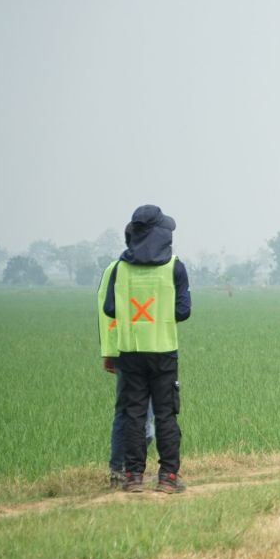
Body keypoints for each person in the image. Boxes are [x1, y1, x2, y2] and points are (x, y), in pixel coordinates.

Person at [102, 205, 191, 493]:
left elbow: (110, 308)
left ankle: (133, 478)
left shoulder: (119, 268)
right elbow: (183, 311)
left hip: (130, 352)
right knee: (166, 414)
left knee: (134, 415)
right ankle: (168, 478)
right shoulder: (174, 266)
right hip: (163, 351)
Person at [96, 260, 155, 487]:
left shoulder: (160, 265)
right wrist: (110, 352)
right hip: (128, 352)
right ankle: (121, 472)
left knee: (144, 423)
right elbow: (107, 314)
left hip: (154, 351)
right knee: (134, 418)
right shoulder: (116, 269)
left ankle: (128, 470)